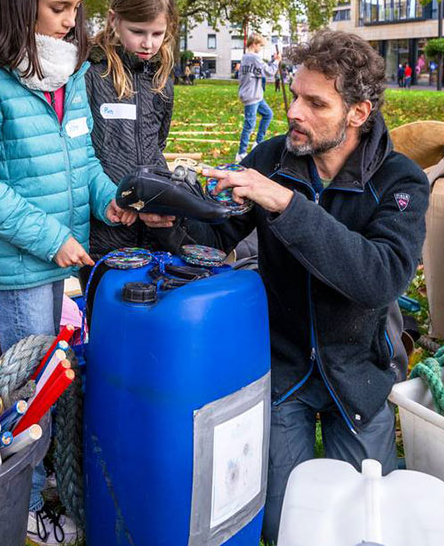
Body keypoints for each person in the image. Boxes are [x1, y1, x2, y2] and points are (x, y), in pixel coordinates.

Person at [146, 30, 429, 543]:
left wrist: (285, 205)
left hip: (359, 371)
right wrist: (173, 218)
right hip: (285, 368)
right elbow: (217, 238)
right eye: (293, 95)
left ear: (358, 113)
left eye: (314, 102)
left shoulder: (400, 180)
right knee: (283, 522)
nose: (295, 111)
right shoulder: (271, 158)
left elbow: (380, 277)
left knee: (365, 523)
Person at [0, 0, 135, 543]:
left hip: (61, 255)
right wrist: (53, 237)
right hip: (26, 259)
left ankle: (38, 482)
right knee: (28, 393)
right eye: (60, 7)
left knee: (51, 377)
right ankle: (20, 506)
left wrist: (107, 198)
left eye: (77, 8)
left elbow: (80, 156)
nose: (72, 21)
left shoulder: (69, 70)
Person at [82, 0, 179, 309]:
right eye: (138, 32)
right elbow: (80, 149)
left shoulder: (162, 81)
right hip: (105, 228)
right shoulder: (92, 74)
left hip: (154, 230)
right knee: (105, 317)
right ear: (114, 20)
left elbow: (158, 142)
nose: (148, 43)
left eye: (158, 34)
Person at [236, 33, 280, 163]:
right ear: (254, 44)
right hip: (251, 95)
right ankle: (241, 152)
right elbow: (269, 72)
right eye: (260, 45)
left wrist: (273, 61)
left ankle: (258, 142)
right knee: (249, 124)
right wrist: (276, 61)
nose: (261, 48)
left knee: (268, 114)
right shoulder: (254, 58)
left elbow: (261, 70)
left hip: (256, 95)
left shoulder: (245, 57)